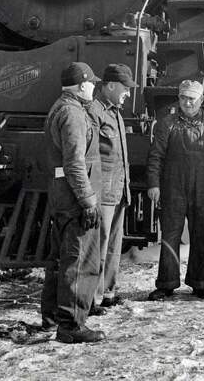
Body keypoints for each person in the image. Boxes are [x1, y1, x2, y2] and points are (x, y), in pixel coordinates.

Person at [146, 80, 204, 301]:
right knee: (170, 236)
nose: (187, 103)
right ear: (179, 99)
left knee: (201, 236)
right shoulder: (167, 123)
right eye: (183, 98)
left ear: (201, 100)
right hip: (173, 188)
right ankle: (166, 284)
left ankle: (200, 283)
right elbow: (156, 156)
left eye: (192, 98)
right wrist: (154, 184)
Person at [40, 61, 106, 343]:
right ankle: (71, 325)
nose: (94, 87)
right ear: (81, 85)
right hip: (76, 198)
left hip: (62, 194)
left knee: (60, 259)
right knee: (80, 260)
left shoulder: (61, 107)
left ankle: (52, 316)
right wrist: (88, 201)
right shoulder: (73, 113)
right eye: (92, 83)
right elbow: (75, 163)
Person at [88, 63, 135, 312]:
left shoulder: (115, 112)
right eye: (125, 88)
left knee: (114, 244)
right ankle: (93, 298)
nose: (128, 93)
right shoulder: (94, 112)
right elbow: (89, 156)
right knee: (100, 243)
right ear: (111, 86)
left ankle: (108, 292)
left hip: (118, 189)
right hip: (102, 191)